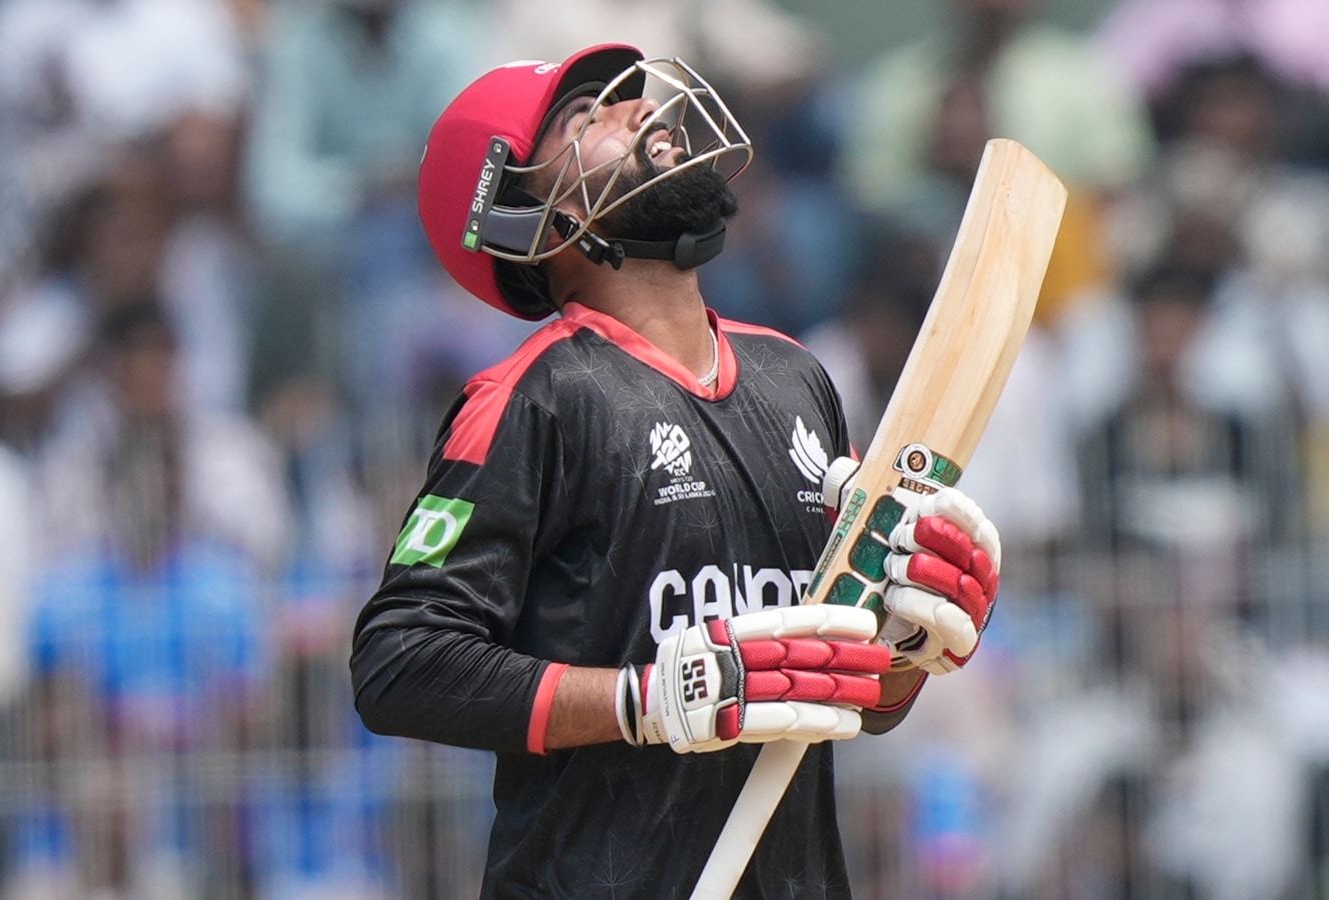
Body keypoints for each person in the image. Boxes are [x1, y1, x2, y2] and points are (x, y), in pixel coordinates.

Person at [350, 44, 1004, 898]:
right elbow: (400, 661)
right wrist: (646, 700)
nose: (639, 111)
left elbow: (841, 694)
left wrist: (913, 642)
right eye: (587, 118)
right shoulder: (535, 398)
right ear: (529, 219)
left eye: (625, 98)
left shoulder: (796, 378)